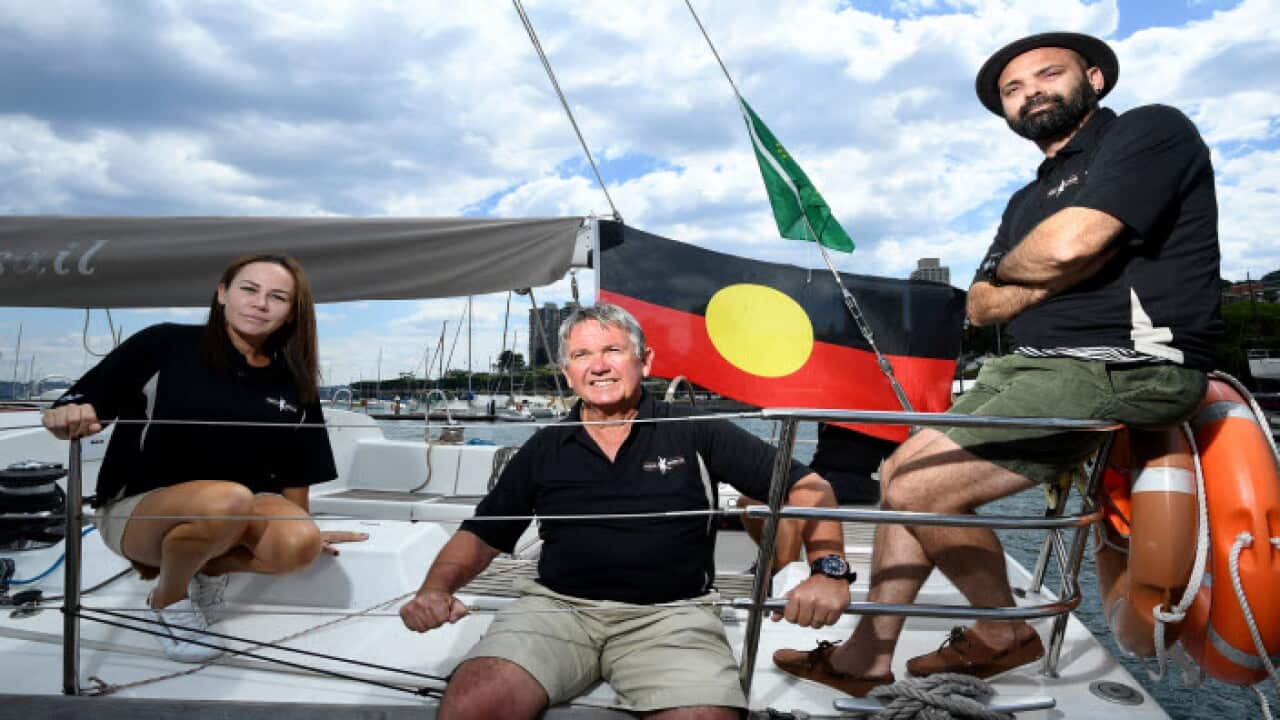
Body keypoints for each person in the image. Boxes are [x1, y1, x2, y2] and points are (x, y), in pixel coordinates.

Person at [773, 31, 1222, 696]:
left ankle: (1001, 632)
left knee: (920, 489)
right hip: (1030, 369)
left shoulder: (1150, 133)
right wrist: (1058, 263)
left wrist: (1063, 257)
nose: (1029, 92)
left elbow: (1074, 243)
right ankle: (869, 656)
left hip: (1126, 366)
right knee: (899, 469)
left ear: (1094, 79)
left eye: (1047, 74)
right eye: (1013, 90)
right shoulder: (1024, 201)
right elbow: (983, 304)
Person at [400, 303, 853, 720]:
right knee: (475, 700)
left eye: (613, 350)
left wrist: (828, 571)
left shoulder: (694, 432)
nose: (598, 366)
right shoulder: (543, 448)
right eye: (582, 355)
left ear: (645, 361)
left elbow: (808, 486)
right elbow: (483, 533)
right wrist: (435, 590)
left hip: (671, 616)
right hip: (557, 609)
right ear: (567, 370)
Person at [42, 254, 366, 663]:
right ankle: (167, 601)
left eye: (277, 297)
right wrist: (68, 415)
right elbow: (80, 404)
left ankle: (204, 569)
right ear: (222, 294)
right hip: (138, 511)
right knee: (227, 499)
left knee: (298, 545)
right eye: (249, 289)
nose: (260, 303)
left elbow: (296, 473)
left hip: (235, 512)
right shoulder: (164, 344)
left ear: (289, 315)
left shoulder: (295, 383)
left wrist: (304, 527)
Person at [738, 424, 896, 575]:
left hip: (854, 483)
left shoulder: (879, 415)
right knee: (747, 501)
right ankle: (772, 562)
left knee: (788, 507)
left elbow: (895, 459)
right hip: (818, 473)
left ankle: (785, 571)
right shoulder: (831, 410)